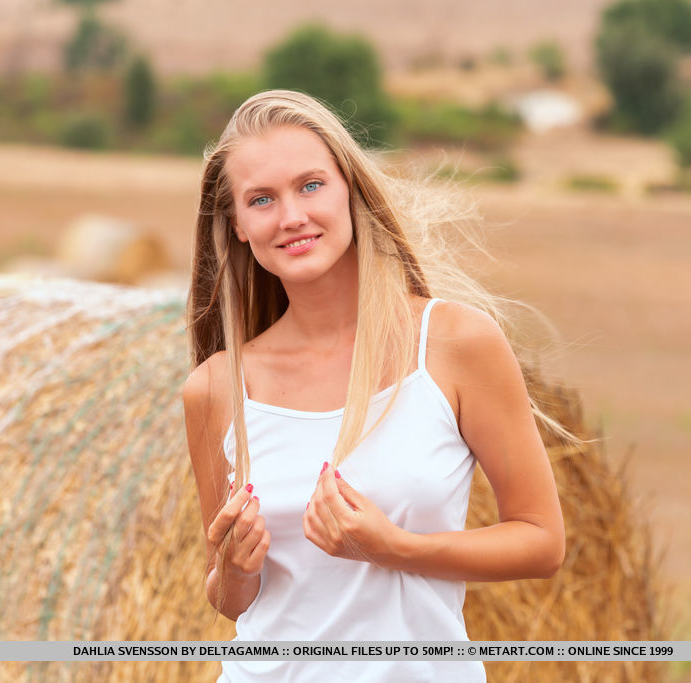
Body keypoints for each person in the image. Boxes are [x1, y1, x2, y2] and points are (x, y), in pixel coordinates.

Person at [182, 89, 567, 682]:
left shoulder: (454, 343)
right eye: (262, 199)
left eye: (311, 185)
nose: (291, 217)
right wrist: (233, 570)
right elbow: (231, 599)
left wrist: (396, 548)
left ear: (350, 189)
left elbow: (542, 541)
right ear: (236, 225)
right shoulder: (216, 388)